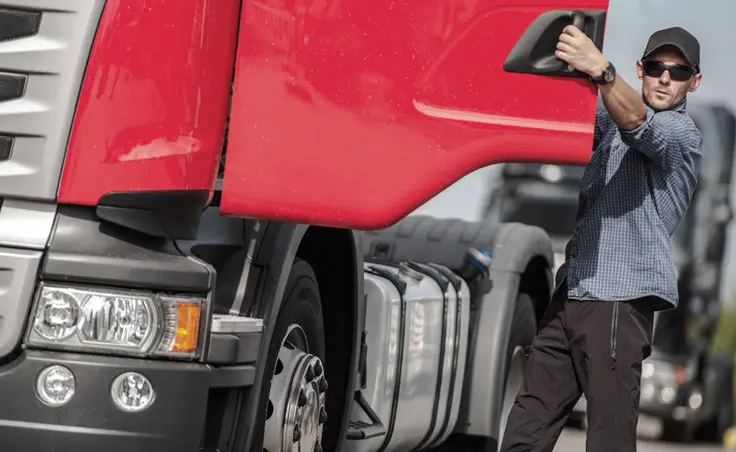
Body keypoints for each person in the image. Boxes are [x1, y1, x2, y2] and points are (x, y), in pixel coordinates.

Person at [499, 26, 704, 452]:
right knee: (526, 429)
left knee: (609, 439)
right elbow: (562, 115)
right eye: (656, 67)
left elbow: (638, 124)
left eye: (678, 71)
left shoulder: (682, 134)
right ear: (641, 70)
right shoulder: (610, 120)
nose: (665, 78)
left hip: (619, 301)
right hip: (573, 292)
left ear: (694, 82)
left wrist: (603, 71)